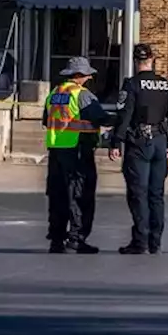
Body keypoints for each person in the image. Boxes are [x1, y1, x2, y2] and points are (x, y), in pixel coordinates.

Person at [111, 43, 168, 255]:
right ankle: (155, 241)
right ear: (152, 60)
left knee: (138, 193)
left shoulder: (131, 85)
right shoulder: (164, 85)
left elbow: (125, 115)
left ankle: (140, 240)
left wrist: (116, 142)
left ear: (135, 61)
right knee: (156, 194)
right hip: (160, 141)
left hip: (139, 143)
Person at [43, 57, 116, 254]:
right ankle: (76, 237)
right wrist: (122, 118)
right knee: (79, 194)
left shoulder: (54, 93)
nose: (90, 77)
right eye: (86, 74)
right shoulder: (83, 95)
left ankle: (56, 238)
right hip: (78, 151)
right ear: (78, 76)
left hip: (56, 150)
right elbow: (101, 117)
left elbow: (46, 120)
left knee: (58, 194)